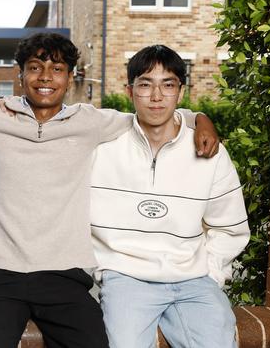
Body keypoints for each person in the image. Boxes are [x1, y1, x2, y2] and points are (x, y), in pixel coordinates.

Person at [0, 33, 220, 347]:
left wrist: (198, 117)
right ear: (20, 75)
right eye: (35, 68)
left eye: (57, 69)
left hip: (63, 276)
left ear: (70, 77)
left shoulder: (90, 121)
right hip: (0, 275)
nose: (46, 78)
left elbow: (151, 114)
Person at [90, 45, 249, 348]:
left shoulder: (208, 149)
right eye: (146, 84)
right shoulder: (101, 147)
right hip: (126, 277)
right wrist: (102, 267)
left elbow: (230, 227)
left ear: (180, 91)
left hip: (193, 280)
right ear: (129, 90)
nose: (156, 96)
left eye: (168, 84)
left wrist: (211, 271)